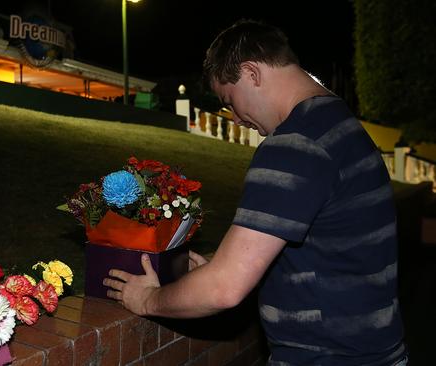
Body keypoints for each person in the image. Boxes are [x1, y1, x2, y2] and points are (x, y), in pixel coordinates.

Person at [104, 19, 407, 365]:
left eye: (230, 100)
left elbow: (224, 289)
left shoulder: (294, 144)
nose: (235, 118)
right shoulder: (344, 127)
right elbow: (330, 247)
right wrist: (226, 265)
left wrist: (148, 299)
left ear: (251, 73)